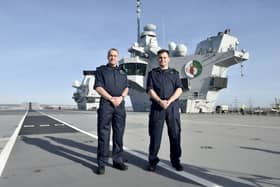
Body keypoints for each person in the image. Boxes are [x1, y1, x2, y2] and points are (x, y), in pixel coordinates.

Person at [146, 49, 184, 172]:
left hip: (172, 108)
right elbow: (150, 90)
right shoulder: (152, 73)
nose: (162, 59)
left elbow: (179, 89)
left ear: (168, 59)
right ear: (158, 59)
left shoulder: (175, 73)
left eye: (165, 57)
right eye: (160, 58)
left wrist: (169, 101)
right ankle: (152, 161)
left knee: (175, 135)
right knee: (155, 136)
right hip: (157, 107)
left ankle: (175, 160)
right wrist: (160, 101)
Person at [94, 48, 129, 175]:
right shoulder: (101, 71)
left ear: (117, 57)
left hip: (120, 105)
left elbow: (126, 88)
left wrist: (121, 97)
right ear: (107, 57)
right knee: (104, 134)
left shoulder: (123, 72)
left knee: (119, 133)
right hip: (106, 105)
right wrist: (110, 98)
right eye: (110, 55)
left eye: (115, 55)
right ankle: (102, 163)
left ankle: (117, 160)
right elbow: (98, 87)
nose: (113, 57)